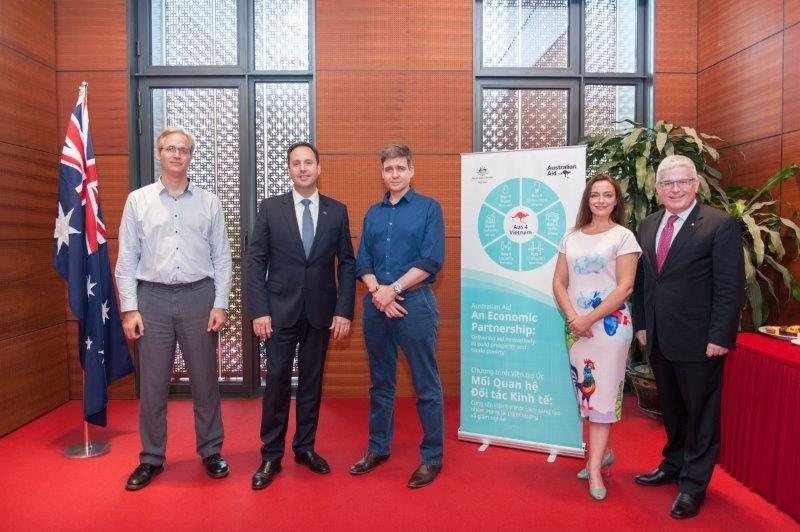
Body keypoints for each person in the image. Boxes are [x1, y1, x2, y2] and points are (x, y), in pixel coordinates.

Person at [116, 126, 232, 490]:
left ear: (191, 156)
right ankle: (151, 458)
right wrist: (130, 309)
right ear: (158, 153)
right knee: (152, 386)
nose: (177, 154)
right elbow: (127, 258)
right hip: (152, 300)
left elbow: (223, 256)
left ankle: (211, 450)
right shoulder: (139, 200)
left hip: (200, 297)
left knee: (205, 381)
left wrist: (220, 303)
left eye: (183, 149)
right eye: (170, 148)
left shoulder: (209, 201)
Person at [632, 155, 744, 519]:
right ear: (658, 188)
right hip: (660, 337)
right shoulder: (648, 225)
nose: (675, 189)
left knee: (701, 415)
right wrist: (642, 324)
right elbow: (644, 281)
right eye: (667, 183)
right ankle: (674, 463)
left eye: (682, 181)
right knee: (673, 409)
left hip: (701, 341)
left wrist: (720, 335)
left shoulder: (719, 224)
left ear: (696, 184)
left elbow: (730, 286)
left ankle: (694, 484)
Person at [245, 141, 356, 490]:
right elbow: (255, 261)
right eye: (296, 163)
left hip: (321, 313)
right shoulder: (270, 209)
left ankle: (305, 447)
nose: (303, 168)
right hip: (278, 313)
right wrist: (259, 310)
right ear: (289, 170)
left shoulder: (337, 211)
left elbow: (348, 264)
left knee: (312, 383)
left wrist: (344, 310)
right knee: (277, 382)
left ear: (319, 167)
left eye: (309, 162)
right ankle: (271, 454)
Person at [349, 144, 445, 488]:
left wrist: (394, 290)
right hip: (377, 307)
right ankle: (378, 448)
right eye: (388, 169)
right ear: (382, 172)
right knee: (381, 383)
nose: (394, 174)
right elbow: (363, 262)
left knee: (426, 385)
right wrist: (380, 293)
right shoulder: (373, 214)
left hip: (415, 305)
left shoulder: (429, 208)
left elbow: (432, 260)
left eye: (400, 169)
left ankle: (432, 457)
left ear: (411, 171)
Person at [552, 174, 640, 501]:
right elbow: (559, 283)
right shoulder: (571, 237)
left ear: (616, 201)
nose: (601, 200)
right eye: (595, 195)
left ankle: (593, 468)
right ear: (587, 200)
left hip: (609, 329)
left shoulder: (624, 237)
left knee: (602, 398)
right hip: (576, 329)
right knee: (588, 396)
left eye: (607, 195)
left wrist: (589, 317)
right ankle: (602, 453)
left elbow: (625, 287)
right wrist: (575, 318)